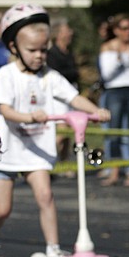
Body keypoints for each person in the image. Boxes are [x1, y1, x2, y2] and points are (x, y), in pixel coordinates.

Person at [0, 3, 110, 257]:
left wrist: (95, 111)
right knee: (2, 209)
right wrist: (29, 117)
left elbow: (73, 97)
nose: (39, 56)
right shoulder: (6, 76)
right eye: (32, 50)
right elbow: (5, 110)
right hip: (7, 153)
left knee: (46, 196)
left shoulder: (50, 77)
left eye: (43, 50)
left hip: (36, 153)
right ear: (13, 47)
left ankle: (53, 249)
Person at [98, 13, 129, 187]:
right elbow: (107, 74)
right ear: (117, 30)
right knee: (113, 133)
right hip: (114, 92)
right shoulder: (107, 47)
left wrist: (127, 59)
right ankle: (115, 171)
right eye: (125, 28)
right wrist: (122, 60)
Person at [47, 17, 79, 173]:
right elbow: (57, 75)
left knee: (69, 132)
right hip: (58, 98)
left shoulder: (69, 53)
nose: (71, 33)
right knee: (63, 130)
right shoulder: (52, 54)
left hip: (70, 95)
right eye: (67, 30)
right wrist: (75, 73)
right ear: (59, 34)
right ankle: (45, 159)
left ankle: (64, 164)